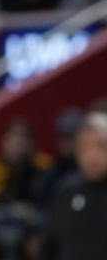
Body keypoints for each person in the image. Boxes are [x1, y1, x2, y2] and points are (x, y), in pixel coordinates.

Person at [43, 111, 107, 260]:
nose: (93, 157)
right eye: (84, 148)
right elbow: (50, 244)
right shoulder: (66, 190)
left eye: (101, 147)